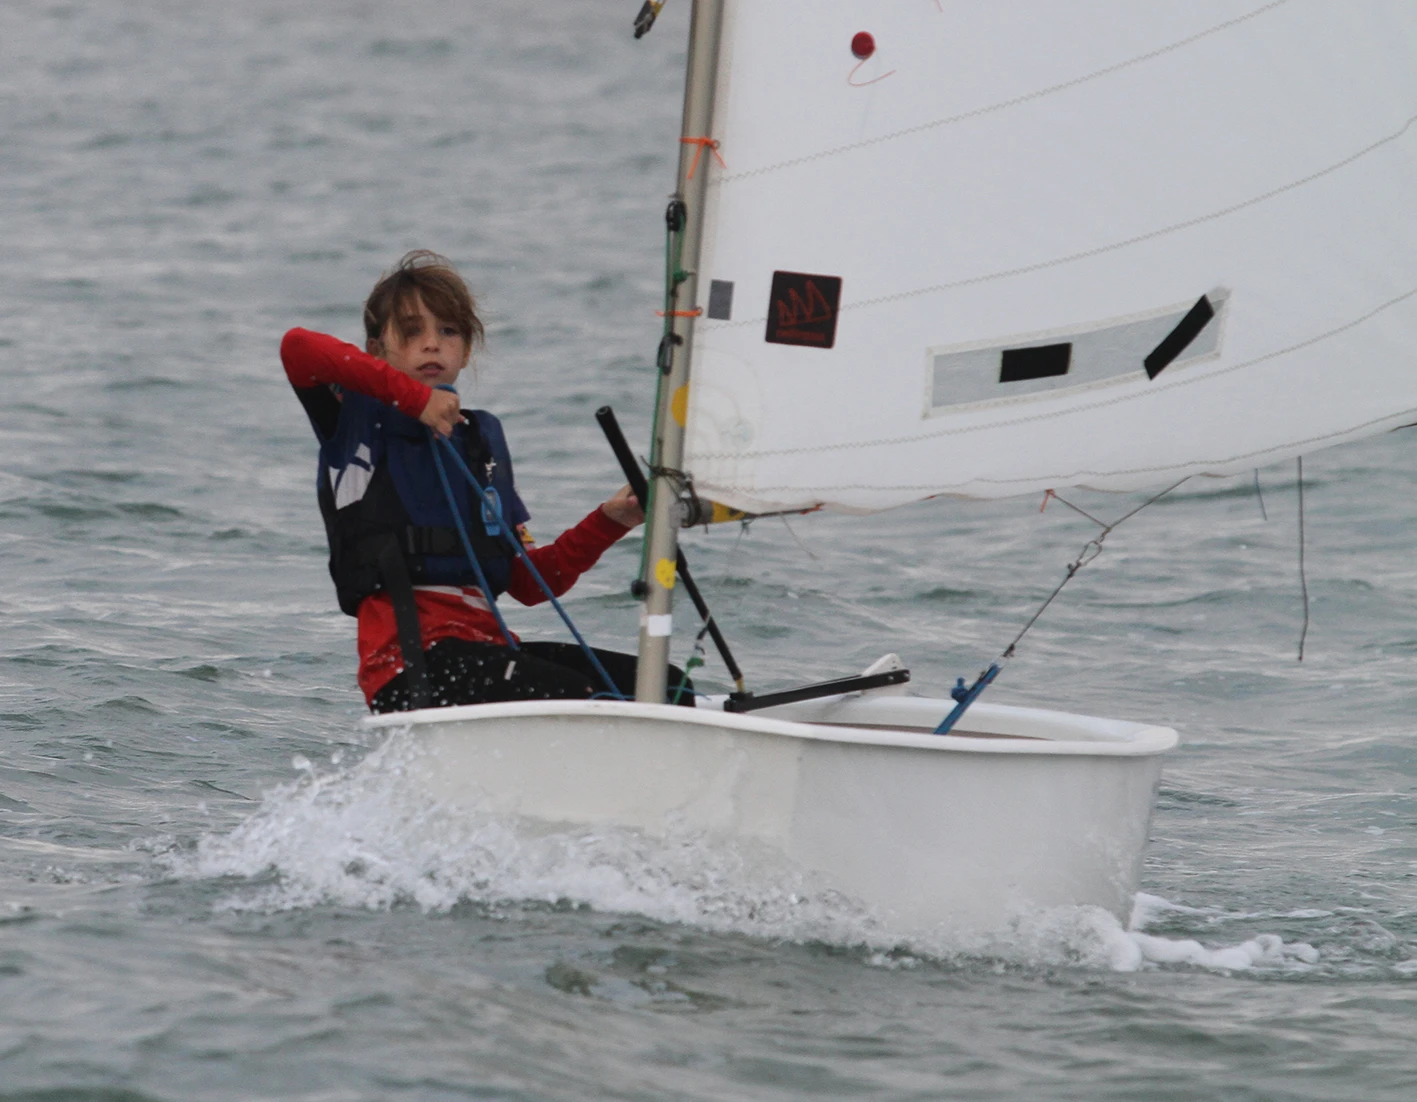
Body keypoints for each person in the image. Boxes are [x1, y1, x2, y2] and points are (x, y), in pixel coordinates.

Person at [280, 250, 692, 712]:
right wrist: (414, 399)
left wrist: (611, 521)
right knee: (575, 695)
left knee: (669, 686)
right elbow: (297, 347)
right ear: (377, 350)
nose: (431, 344)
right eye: (412, 331)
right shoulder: (352, 421)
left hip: (486, 650)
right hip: (408, 667)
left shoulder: (480, 442)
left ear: (466, 350)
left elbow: (530, 583)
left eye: (448, 331)